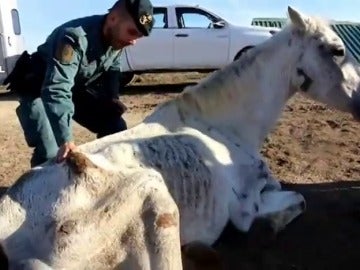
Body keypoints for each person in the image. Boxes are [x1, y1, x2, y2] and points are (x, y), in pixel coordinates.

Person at [3, 0, 154, 167]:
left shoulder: (117, 37)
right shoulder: (74, 37)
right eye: (132, 32)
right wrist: (66, 140)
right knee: (51, 152)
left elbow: (113, 67)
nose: (133, 42)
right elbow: (56, 89)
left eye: (138, 37)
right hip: (39, 88)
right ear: (113, 19)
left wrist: (112, 97)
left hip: (73, 87)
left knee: (115, 126)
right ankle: (40, 188)